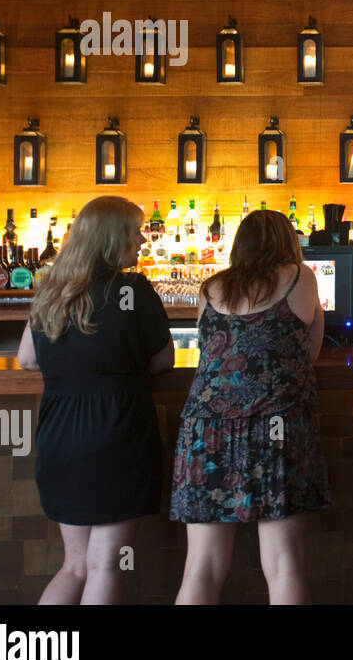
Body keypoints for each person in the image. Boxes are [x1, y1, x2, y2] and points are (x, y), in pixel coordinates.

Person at [17, 196, 174, 605]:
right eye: (136, 230)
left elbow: (28, 359)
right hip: (118, 433)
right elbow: (164, 360)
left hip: (60, 437)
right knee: (107, 565)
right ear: (112, 238)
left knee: (75, 566)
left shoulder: (52, 289)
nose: (143, 238)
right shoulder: (133, 289)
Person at [170, 209, 330, 604]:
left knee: (201, 567)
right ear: (288, 242)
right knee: (283, 564)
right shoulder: (299, 277)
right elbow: (306, 354)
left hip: (207, 433)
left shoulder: (210, 288)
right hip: (275, 428)